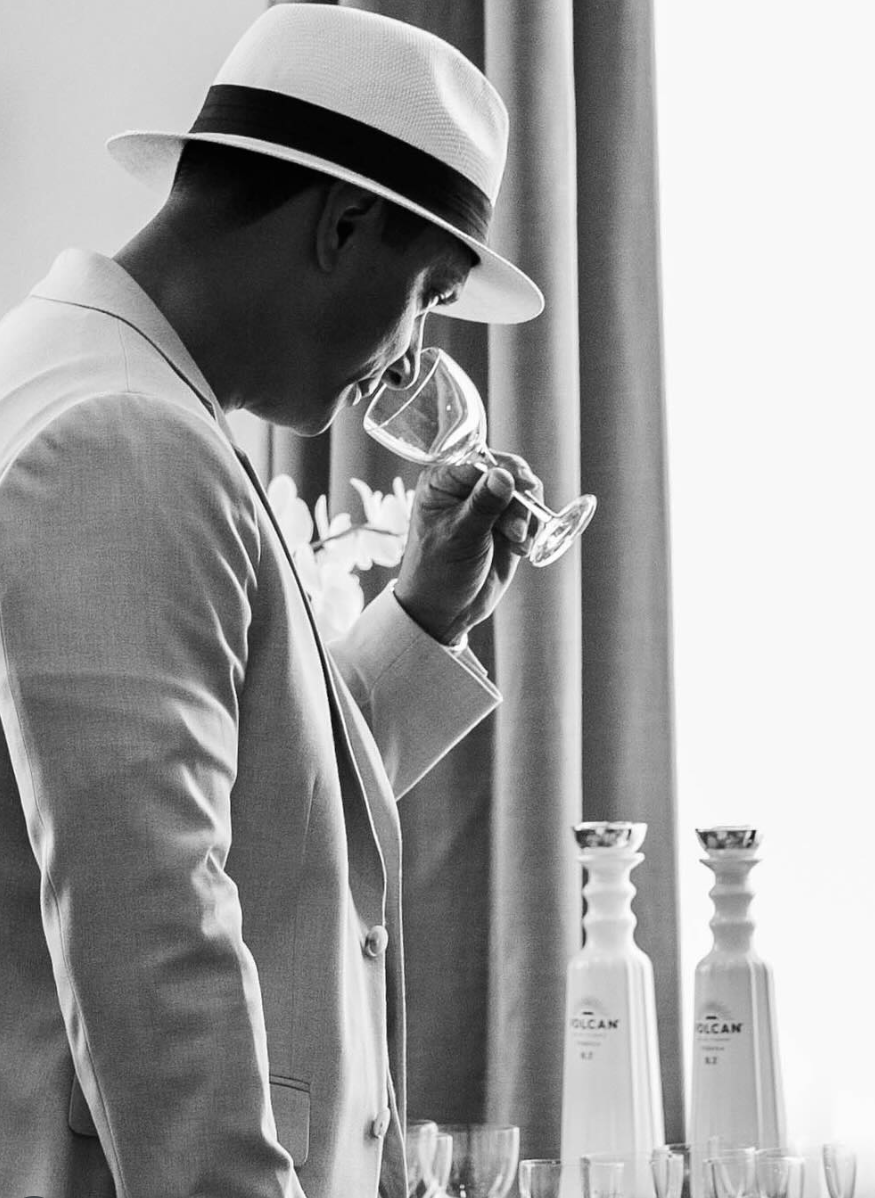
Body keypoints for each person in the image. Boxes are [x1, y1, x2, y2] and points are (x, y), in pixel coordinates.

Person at [0, 7, 546, 1196]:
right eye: (429, 295)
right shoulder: (125, 440)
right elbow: (157, 949)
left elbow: (241, 796)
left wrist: (421, 620)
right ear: (341, 226)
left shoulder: (89, 385)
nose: (411, 357)